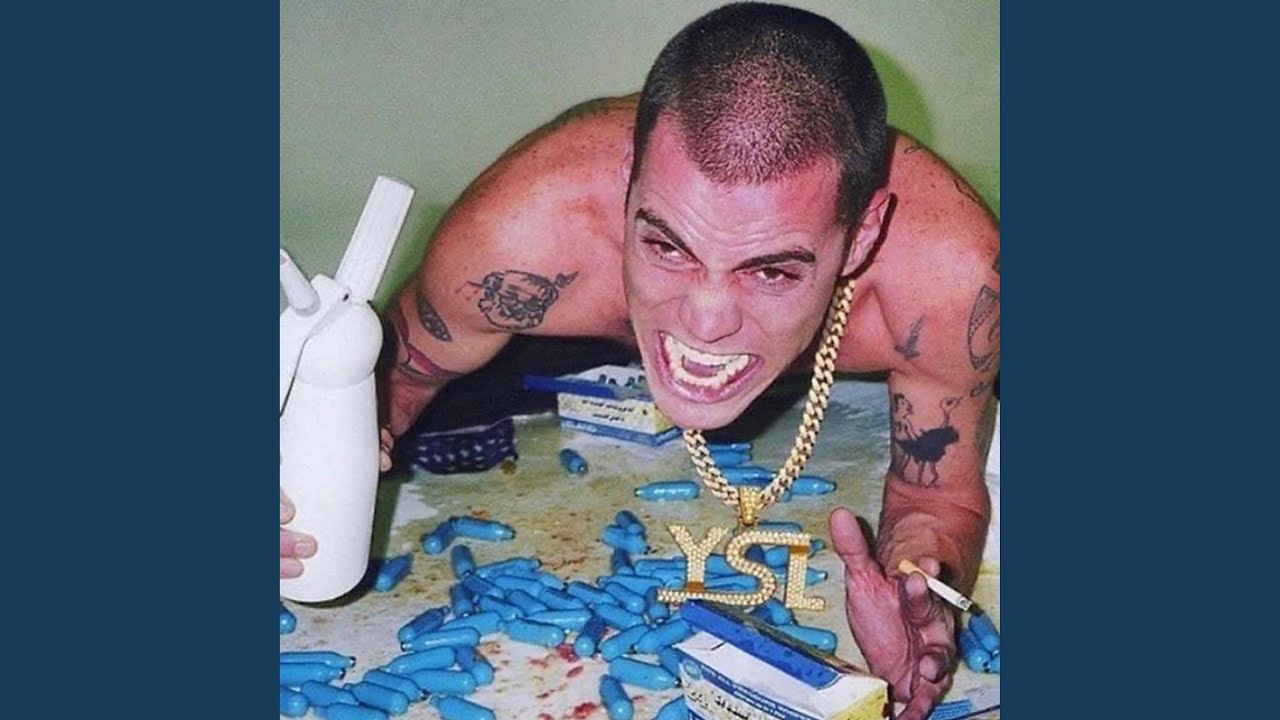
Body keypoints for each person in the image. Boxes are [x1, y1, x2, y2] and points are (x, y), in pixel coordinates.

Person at [282, 3, 998, 717]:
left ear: (863, 236)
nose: (705, 321)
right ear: (629, 183)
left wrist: (923, 595)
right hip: (562, 344)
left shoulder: (947, 279)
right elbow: (390, 381)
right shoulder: (521, 235)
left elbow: (936, 496)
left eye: (771, 271)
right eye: (667, 246)